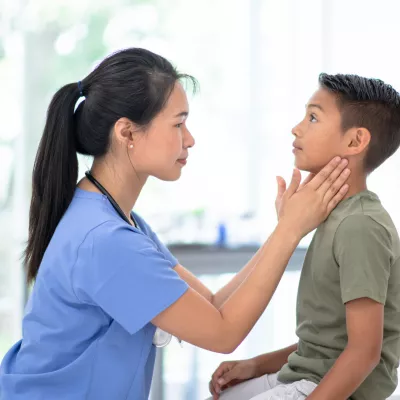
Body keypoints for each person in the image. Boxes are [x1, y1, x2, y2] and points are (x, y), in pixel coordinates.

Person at [0, 48, 350, 400]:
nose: (190, 139)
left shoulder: (119, 220)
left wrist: (283, 228)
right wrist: (290, 231)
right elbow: (223, 334)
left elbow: (212, 305)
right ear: (127, 133)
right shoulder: (106, 241)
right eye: (178, 123)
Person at [208, 73, 400, 400]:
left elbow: (365, 352)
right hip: (304, 375)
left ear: (355, 141)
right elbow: (327, 344)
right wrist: (256, 365)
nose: (297, 128)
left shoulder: (361, 226)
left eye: (313, 117)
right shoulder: (333, 217)